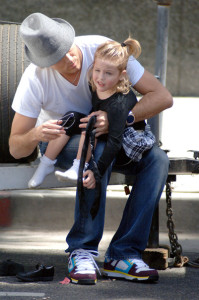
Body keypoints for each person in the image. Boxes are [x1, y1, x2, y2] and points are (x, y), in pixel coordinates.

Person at [9, 13, 173, 285]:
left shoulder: (102, 51)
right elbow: (15, 146)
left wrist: (121, 119)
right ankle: (82, 250)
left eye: (69, 50)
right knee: (98, 147)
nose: (71, 60)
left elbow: (162, 97)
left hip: (114, 134)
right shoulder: (35, 77)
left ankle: (124, 253)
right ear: (44, 62)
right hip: (63, 141)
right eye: (59, 60)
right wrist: (38, 132)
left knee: (157, 160)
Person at [55, 37, 143, 183]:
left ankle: (80, 167)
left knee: (96, 141)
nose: (101, 78)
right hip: (110, 133)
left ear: (121, 76)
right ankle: (49, 162)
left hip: (128, 146)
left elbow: (115, 142)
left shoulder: (118, 104)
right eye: (97, 70)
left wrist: (97, 172)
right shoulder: (98, 87)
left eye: (108, 73)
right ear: (92, 67)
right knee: (76, 119)